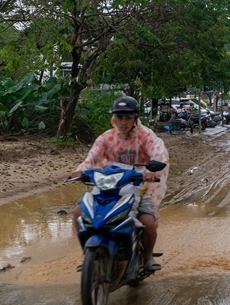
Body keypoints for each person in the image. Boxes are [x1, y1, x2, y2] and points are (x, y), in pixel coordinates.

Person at [70, 96, 168, 272]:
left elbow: (157, 152)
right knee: (79, 212)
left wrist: (151, 170)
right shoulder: (106, 137)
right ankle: (88, 255)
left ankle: (147, 257)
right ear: (114, 118)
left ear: (135, 118)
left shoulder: (146, 136)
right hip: (108, 183)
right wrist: (80, 171)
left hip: (139, 185)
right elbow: (92, 157)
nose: (123, 122)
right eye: (120, 118)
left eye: (128, 118)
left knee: (147, 220)